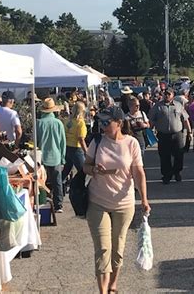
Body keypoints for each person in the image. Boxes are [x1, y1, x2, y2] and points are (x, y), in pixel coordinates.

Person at [82, 106, 150, 294]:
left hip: (124, 202)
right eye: (100, 122)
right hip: (98, 201)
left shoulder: (132, 143)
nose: (102, 126)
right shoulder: (97, 141)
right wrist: (94, 169)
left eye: (106, 122)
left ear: (119, 123)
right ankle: (103, 290)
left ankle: (113, 284)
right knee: (103, 249)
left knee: (118, 246)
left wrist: (144, 199)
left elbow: (138, 172)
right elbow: (85, 166)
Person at [148, 87, 191, 184]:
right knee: (164, 156)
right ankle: (166, 175)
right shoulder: (157, 107)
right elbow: (152, 120)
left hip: (177, 134)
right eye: (165, 94)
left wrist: (189, 132)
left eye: (169, 94)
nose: (166, 95)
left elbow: (185, 119)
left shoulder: (178, 105)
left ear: (173, 95)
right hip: (163, 135)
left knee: (179, 154)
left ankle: (177, 172)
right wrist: (149, 132)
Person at [36, 98, 66, 212]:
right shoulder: (58, 123)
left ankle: (43, 203)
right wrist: (63, 158)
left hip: (41, 156)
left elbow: (35, 140)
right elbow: (62, 142)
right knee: (57, 181)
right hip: (56, 155)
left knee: (41, 181)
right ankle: (58, 204)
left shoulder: (39, 123)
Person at [62, 101, 88, 191]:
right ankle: (79, 188)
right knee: (82, 170)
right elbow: (81, 139)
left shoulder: (68, 120)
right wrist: (86, 151)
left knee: (66, 169)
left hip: (67, 147)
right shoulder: (80, 123)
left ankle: (58, 186)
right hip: (76, 148)